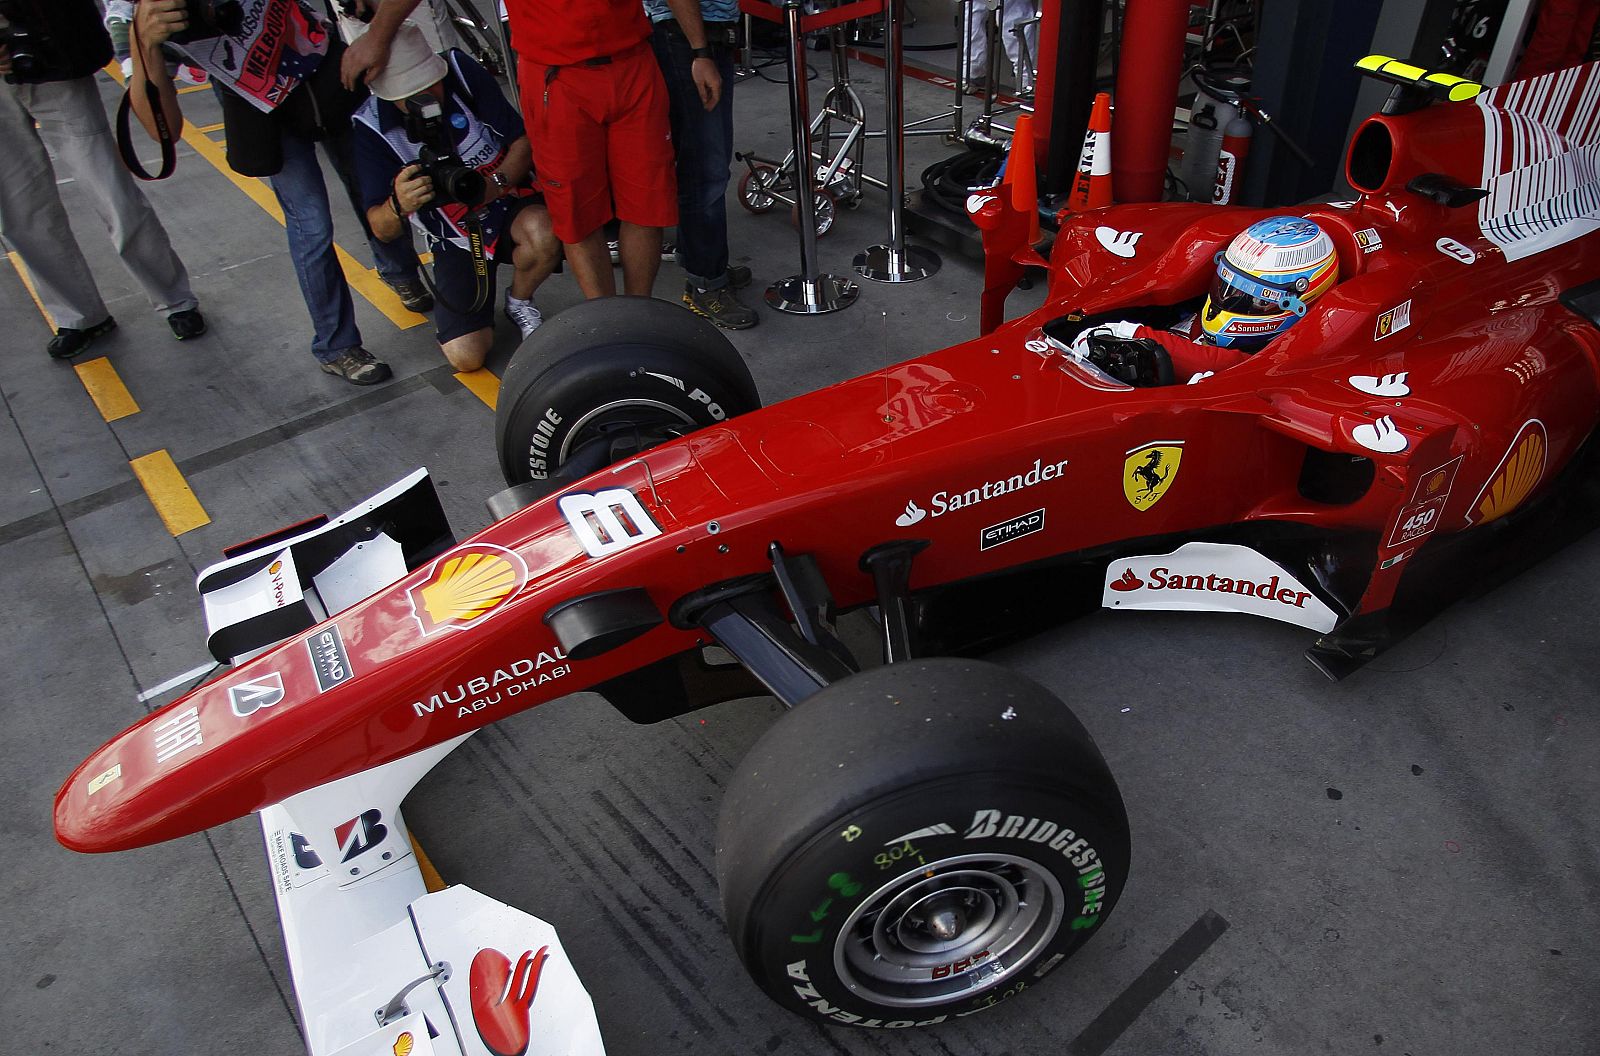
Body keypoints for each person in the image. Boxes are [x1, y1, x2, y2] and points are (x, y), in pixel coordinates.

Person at [129, 0, 432, 385]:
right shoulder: (139, 9)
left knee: (370, 185)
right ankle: (336, 346)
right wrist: (145, 45)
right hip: (258, 103)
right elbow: (164, 131)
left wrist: (372, 33)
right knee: (311, 223)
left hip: (321, 66)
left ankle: (400, 268)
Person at [342, 0, 713, 301]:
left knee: (646, 206)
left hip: (633, 62)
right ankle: (608, 323)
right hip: (557, 76)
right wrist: (378, 35)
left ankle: (638, 313)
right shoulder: (377, 119)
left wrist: (701, 50)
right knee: (575, 213)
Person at [0, 0, 204, 360]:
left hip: (51, 54)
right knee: (19, 210)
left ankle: (174, 299)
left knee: (110, 188)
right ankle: (79, 316)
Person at [353, 24, 560, 372]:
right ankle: (471, 302)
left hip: (507, 202)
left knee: (544, 232)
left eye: (429, 83)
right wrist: (399, 204)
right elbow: (381, 229)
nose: (428, 98)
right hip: (455, 235)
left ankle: (519, 299)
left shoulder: (460, 71)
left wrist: (493, 185)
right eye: (412, 94)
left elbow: (523, 142)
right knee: (466, 357)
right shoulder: (370, 126)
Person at [1072, 216, 1340, 383]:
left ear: (1300, 303)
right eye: (1225, 285)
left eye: (1251, 299)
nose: (1226, 301)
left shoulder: (1268, 364)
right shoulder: (1196, 317)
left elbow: (1223, 364)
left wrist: (1128, 332)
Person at [646, 0, 757, 329]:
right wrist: (700, 51)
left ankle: (702, 260)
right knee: (706, 168)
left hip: (697, 35)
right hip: (687, 36)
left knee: (703, 160)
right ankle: (706, 282)